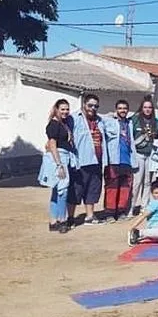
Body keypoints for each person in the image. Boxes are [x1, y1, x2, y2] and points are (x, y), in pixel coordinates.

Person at [69, 94, 107, 225]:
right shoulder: (73, 118)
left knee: (93, 189)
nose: (93, 108)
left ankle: (90, 216)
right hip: (81, 160)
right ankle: (70, 217)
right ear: (83, 104)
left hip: (97, 160)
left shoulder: (100, 120)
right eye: (90, 105)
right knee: (76, 190)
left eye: (96, 106)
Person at [40, 99, 76, 233]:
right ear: (56, 109)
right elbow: (52, 144)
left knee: (57, 190)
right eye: (62, 109)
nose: (65, 111)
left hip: (63, 156)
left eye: (67, 109)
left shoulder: (62, 123)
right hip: (59, 158)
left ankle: (53, 221)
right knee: (62, 191)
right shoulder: (54, 124)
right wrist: (59, 164)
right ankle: (62, 220)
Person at [103, 99, 136, 220]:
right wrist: (109, 115)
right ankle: (110, 213)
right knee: (112, 187)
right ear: (116, 109)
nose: (123, 110)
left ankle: (121, 211)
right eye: (120, 108)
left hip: (127, 160)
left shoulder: (129, 123)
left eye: (125, 108)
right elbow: (99, 119)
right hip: (114, 160)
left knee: (125, 187)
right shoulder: (109, 121)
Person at [129, 97, 158, 218]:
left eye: (149, 107)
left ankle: (144, 206)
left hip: (151, 155)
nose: (147, 110)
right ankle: (131, 207)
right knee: (137, 182)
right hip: (138, 154)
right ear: (141, 108)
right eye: (145, 107)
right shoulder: (135, 120)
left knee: (148, 182)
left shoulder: (156, 122)